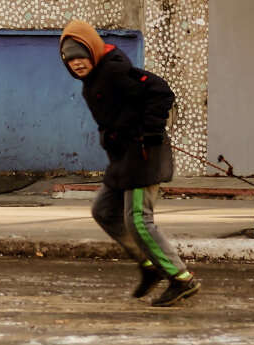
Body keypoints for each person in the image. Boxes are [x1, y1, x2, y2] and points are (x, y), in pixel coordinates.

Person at [59, 19, 201, 307]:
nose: (76, 63)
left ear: (93, 51)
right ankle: (150, 266)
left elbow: (160, 91)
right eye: (70, 59)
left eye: (80, 55)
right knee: (104, 211)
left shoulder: (112, 70)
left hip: (144, 155)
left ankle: (180, 278)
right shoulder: (93, 79)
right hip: (123, 159)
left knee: (137, 219)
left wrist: (149, 132)